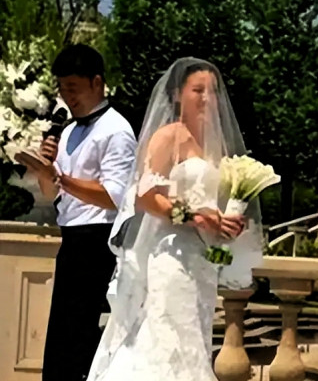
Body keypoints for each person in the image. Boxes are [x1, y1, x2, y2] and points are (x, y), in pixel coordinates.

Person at [86, 58, 264, 380]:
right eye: (198, 90)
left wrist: (228, 223)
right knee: (167, 340)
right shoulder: (168, 137)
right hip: (172, 256)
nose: (207, 98)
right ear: (178, 94)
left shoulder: (216, 148)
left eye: (212, 91)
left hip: (203, 262)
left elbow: (214, 204)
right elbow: (145, 197)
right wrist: (193, 216)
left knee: (194, 344)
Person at [15, 44, 137, 381]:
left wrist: (61, 178)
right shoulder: (68, 131)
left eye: (73, 88)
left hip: (99, 240)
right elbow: (52, 194)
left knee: (80, 332)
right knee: (61, 331)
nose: (67, 97)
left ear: (97, 82)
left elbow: (114, 197)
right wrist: (45, 169)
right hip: (71, 236)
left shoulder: (116, 130)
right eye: (62, 88)